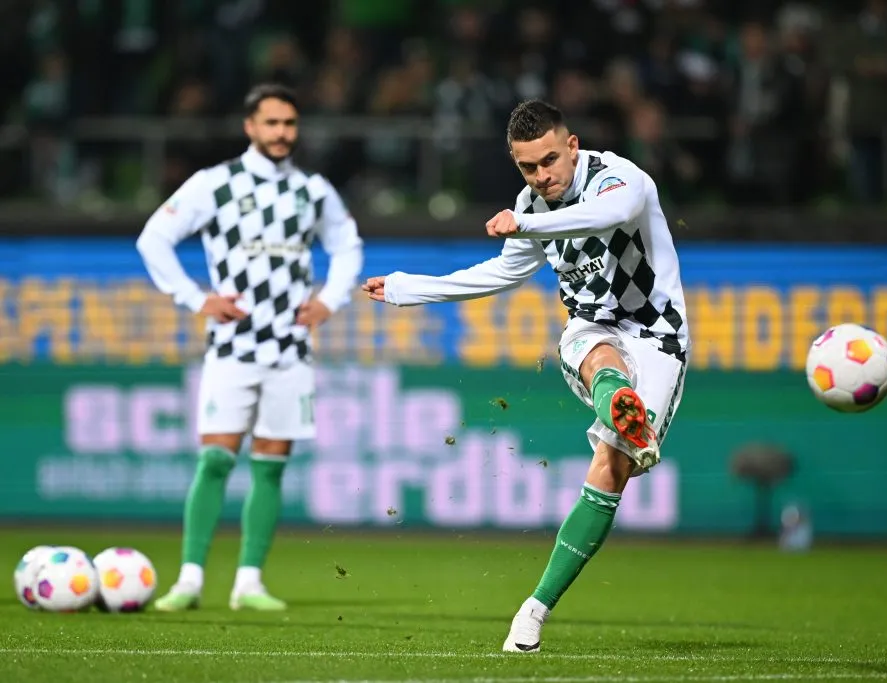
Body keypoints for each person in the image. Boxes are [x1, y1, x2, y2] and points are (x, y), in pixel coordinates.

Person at [362, 99, 690, 652]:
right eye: (528, 168)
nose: (542, 177)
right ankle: (618, 405)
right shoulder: (530, 205)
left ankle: (535, 606)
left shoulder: (620, 178)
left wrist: (529, 222)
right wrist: (407, 288)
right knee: (592, 350)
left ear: (572, 145)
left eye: (548, 162)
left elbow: (606, 216)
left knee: (611, 470)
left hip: (659, 335)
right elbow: (502, 272)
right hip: (592, 330)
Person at [136, 83, 364, 611]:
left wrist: (330, 300)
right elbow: (153, 239)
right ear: (250, 127)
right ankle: (190, 579)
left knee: (271, 464)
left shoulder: (312, 190)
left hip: (289, 348)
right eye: (272, 123)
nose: (282, 133)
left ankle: (248, 583)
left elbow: (347, 245)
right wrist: (195, 298)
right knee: (215, 459)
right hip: (233, 345)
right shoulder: (213, 185)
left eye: (289, 124)